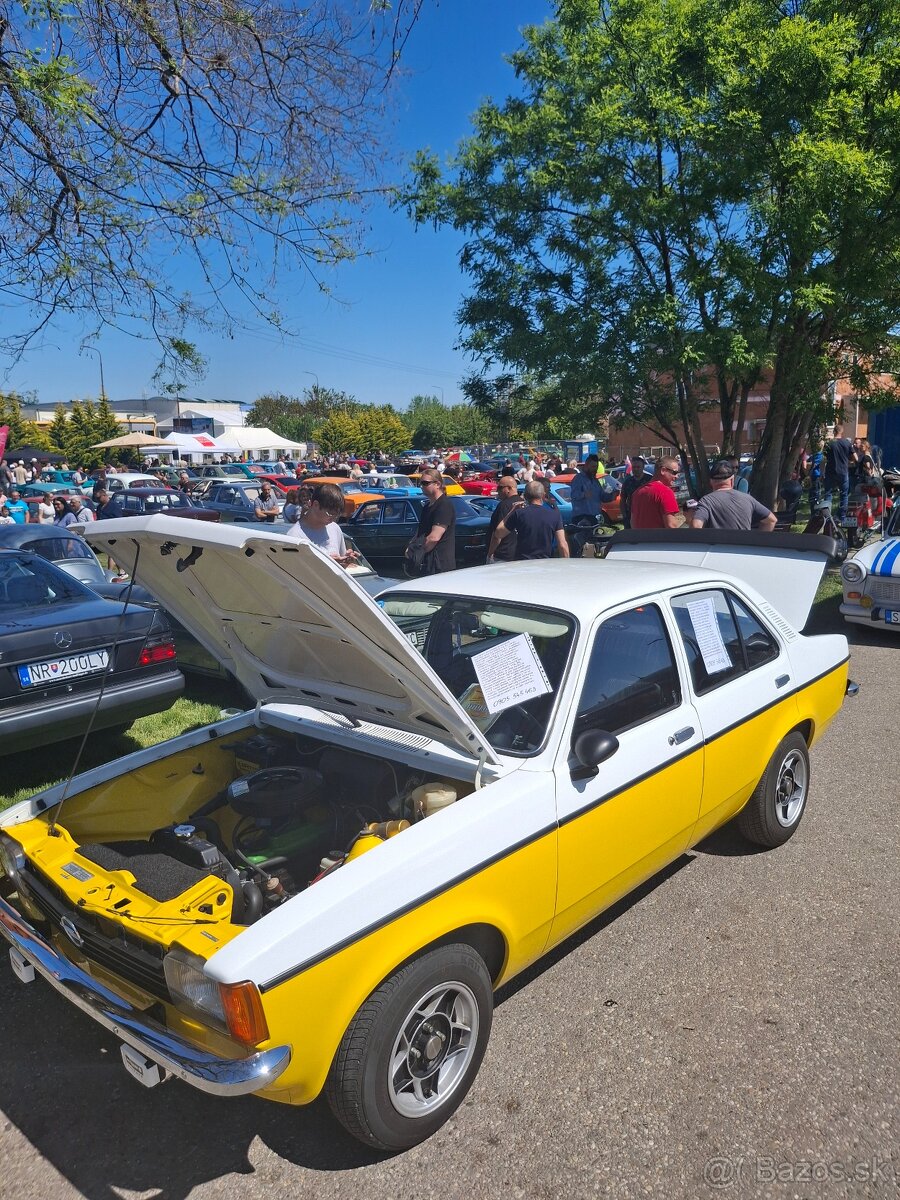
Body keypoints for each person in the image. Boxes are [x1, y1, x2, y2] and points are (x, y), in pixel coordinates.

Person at [489, 481, 569, 560]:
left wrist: (511, 511)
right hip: (545, 563)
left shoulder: (519, 514)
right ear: (543, 495)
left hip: (523, 563)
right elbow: (562, 545)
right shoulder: (554, 515)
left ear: (526, 496)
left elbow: (499, 533)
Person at [690, 460, 777, 531]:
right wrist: (757, 542)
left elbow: (696, 526)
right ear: (732, 480)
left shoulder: (706, 501)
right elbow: (771, 520)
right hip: (743, 550)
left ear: (711, 482)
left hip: (717, 550)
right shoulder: (748, 499)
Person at [286, 483, 358, 568]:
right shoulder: (294, 536)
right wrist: (327, 563)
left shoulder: (334, 528)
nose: (333, 519)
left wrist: (345, 560)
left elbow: (341, 568)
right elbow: (293, 573)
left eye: (337, 515)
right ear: (316, 505)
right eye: (330, 514)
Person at [408, 469, 456, 574]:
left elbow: (434, 537)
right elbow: (421, 532)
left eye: (425, 483)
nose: (422, 486)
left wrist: (417, 553)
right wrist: (411, 546)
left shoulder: (444, 505)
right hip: (427, 564)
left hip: (440, 565)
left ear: (437, 484)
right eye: (421, 483)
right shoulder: (427, 506)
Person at [630, 456, 683, 529]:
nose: (676, 476)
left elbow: (633, 523)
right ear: (663, 470)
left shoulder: (637, 493)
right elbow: (671, 526)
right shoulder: (665, 492)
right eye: (674, 472)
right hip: (659, 539)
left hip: (639, 539)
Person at [486, 476, 523, 562]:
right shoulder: (523, 503)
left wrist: (490, 554)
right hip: (518, 555)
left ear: (509, 488)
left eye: (500, 488)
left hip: (502, 556)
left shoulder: (504, 506)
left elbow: (497, 535)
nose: (497, 491)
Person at [823, 424, 853, 522]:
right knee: (844, 494)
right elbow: (854, 457)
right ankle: (842, 517)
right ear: (842, 431)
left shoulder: (829, 443)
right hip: (843, 472)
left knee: (828, 494)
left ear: (834, 431)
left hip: (830, 471)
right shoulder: (847, 443)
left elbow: (824, 458)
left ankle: (827, 518)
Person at [621, 456, 650, 528]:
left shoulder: (650, 480)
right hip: (631, 516)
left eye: (638, 467)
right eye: (634, 467)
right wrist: (625, 516)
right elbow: (623, 500)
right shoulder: (627, 482)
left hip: (647, 516)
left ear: (643, 467)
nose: (636, 469)